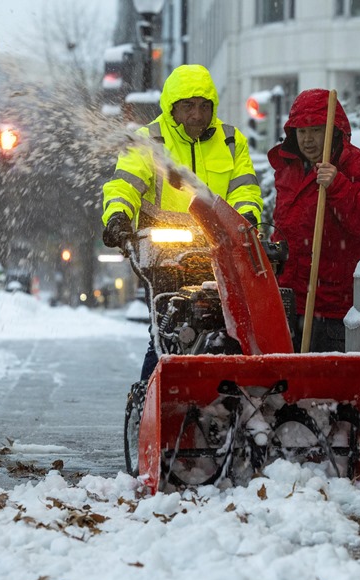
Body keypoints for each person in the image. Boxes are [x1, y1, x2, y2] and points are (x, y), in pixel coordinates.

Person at [101, 64, 263, 380]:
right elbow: (124, 184)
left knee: (229, 332)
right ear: (172, 107)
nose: (197, 115)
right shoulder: (148, 140)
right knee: (167, 334)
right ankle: (150, 400)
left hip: (220, 252)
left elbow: (244, 189)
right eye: (188, 106)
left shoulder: (231, 140)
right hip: (164, 256)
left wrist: (249, 222)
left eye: (205, 106)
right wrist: (118, 216)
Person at [268, 88, 360, 352]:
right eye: (301, 132)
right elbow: (285, 227)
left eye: (316, 131)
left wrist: (337, 185)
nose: (308, 140)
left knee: (323, 390)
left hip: (331, 309)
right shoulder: (290, 168)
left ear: (333, 130)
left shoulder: (355, 164)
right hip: (288, 303)